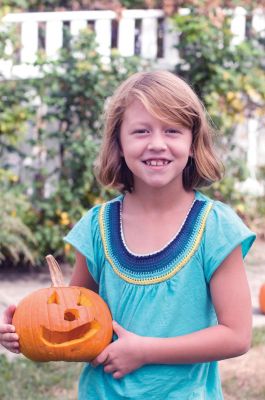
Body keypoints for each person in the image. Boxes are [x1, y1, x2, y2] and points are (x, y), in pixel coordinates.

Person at [0, 70, 256, 399]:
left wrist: (145, 350)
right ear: (119, 144)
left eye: (172, 130)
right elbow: (73, 317)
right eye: (141, 131)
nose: (157, 144)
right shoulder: (98, 227)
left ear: (192, 143)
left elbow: (236, 336)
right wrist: (22, 329)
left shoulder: (215, 228)